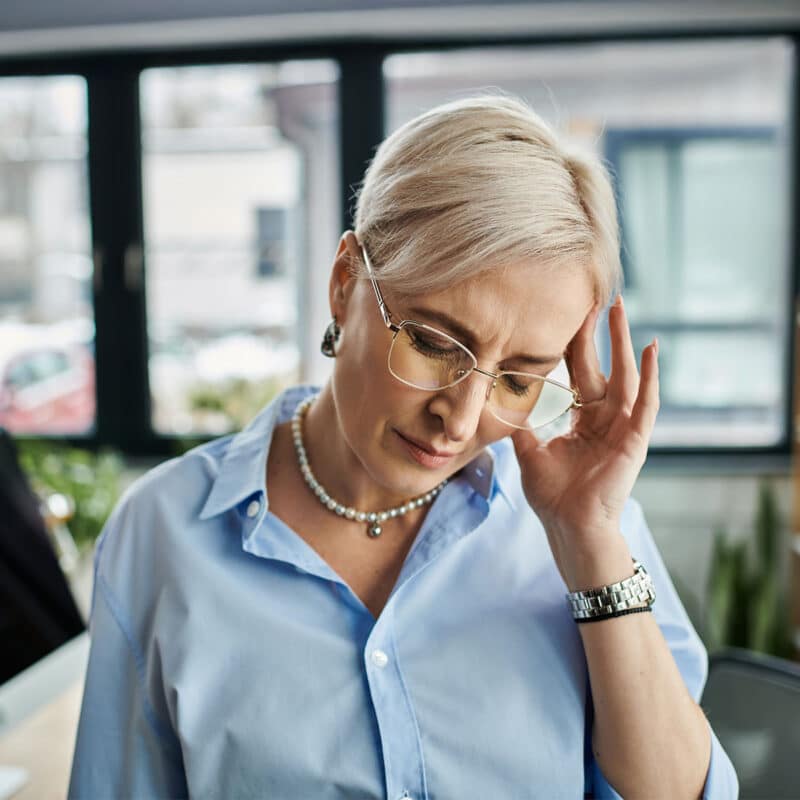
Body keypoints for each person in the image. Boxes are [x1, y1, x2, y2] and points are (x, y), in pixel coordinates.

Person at [68, 94, 738, 799]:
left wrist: (591, 539)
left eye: (515, 379)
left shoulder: (583, 527)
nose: (461, 416)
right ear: (344, 282)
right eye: (432, 342)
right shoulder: (164, 535)